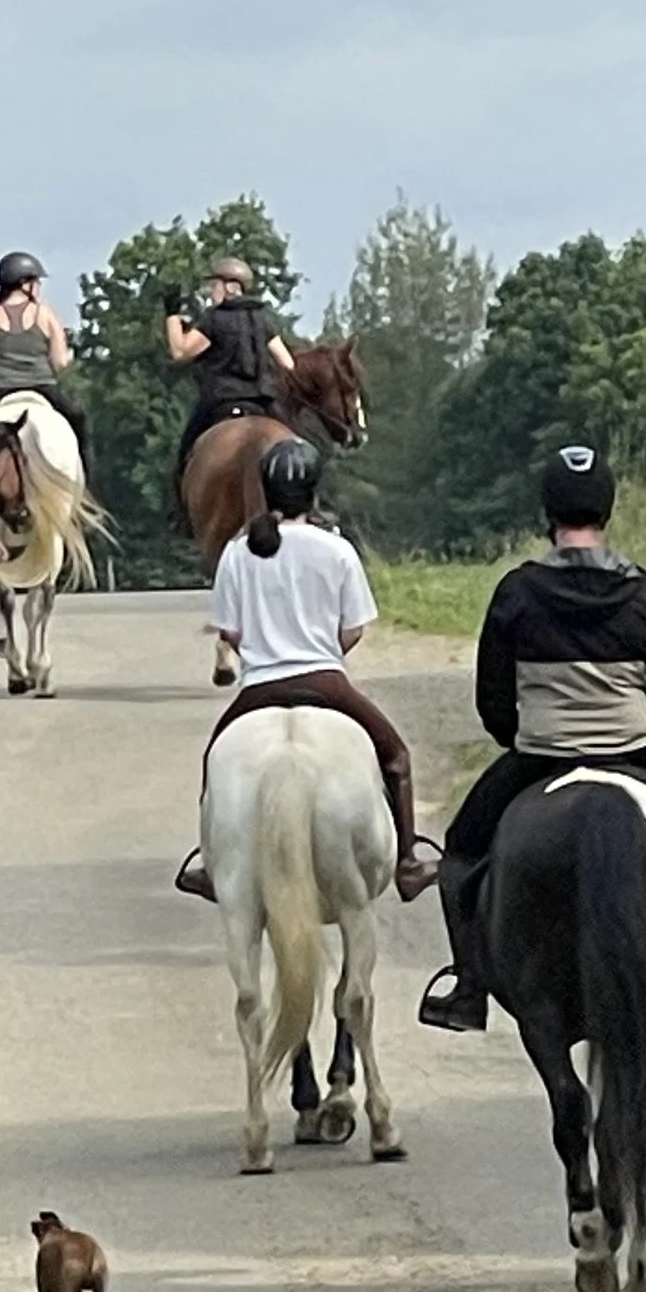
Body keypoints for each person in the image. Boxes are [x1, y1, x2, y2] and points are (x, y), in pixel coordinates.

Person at [417, 444, 646, 1031]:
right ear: (606, 510)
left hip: (540, 757)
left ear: (547, 511)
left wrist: (518, 736)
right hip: (636, 752)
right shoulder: (645, 593)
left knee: (459, 853)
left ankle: (469, 985)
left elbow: (494, 697)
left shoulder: (516, 593)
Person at [174, 438, 440, 905]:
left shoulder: (239, 552)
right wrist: (323, 649)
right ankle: (408, 863)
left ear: (266, 490)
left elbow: (230, 634)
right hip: (326, 680)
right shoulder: (336, 550)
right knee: (396, 757)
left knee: (215, 761)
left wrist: (263, 646)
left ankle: (212, 864)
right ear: (315, 492)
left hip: (257, 688)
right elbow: (353, 629)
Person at [165, 253, 295, 503]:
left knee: (186, 452)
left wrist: (172, 315)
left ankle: (180, 511)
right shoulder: (263, 320)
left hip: (220, 400)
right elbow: (288, 364)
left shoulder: (214, 319)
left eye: (214, 286)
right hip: (262, 403)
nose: (210, 292)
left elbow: (180, 351)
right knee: (294, 444)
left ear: (231, 287)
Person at [0, 252, 93, 468]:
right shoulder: (45, 313)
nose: (39, 286)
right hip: (43, 387)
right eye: (36, 281)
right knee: (77, 418)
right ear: (24, 283)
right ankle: (86, 480)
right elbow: (60, 362)